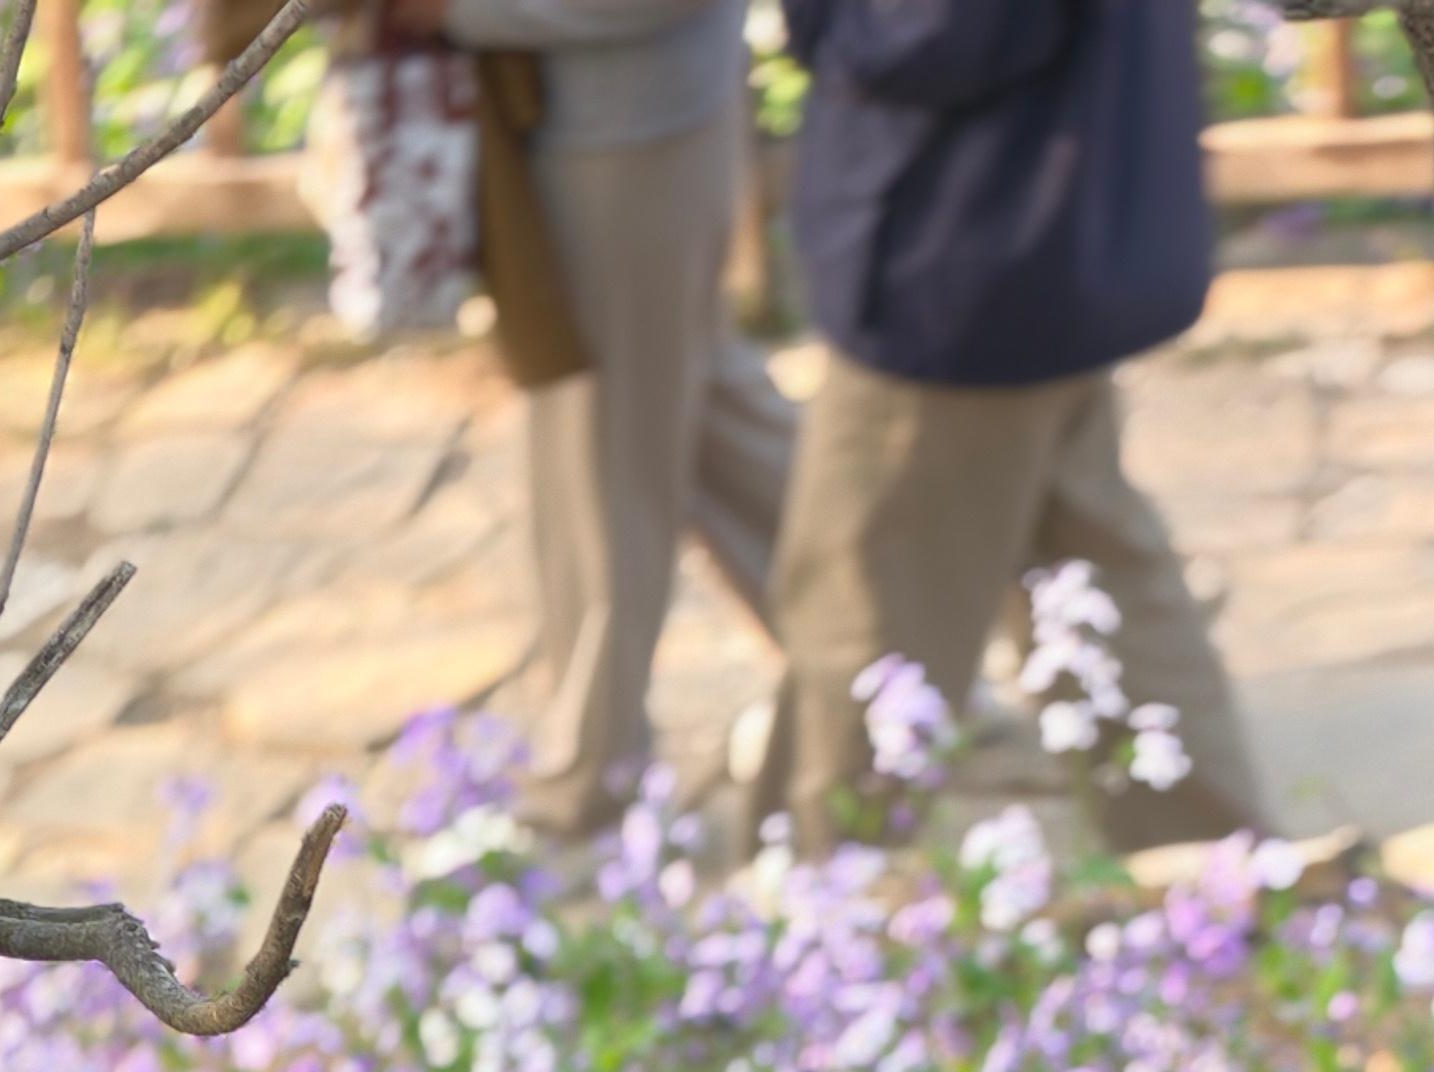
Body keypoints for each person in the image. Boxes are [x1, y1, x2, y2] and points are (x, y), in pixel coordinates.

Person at [764, 0, 1274, 852]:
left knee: (869, 611)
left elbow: (929, 34)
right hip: (1045, 213)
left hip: (966, 238)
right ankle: (1219, 878)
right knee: (1098, 582)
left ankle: (830, 905)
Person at [402, 0, 798, 834]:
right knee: (697, 408)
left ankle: (588, 777)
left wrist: (457, 11)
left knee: (602, 446)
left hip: (625, 114)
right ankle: (890, 659)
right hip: (603, 108)